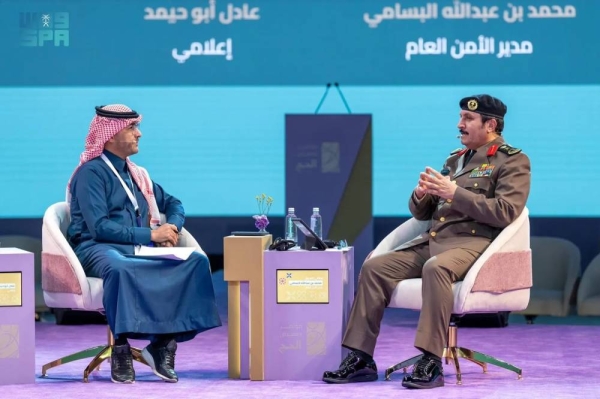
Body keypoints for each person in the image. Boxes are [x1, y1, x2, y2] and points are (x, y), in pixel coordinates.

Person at [322, 94, 531, 389]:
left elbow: (506, 212)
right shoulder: (455, 159)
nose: (460, 124)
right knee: (375, 268)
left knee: (437, 268)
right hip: (434, 239)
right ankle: (360, 357)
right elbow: (423, 213)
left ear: (491, 124)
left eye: (468, 119)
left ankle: (431, 361)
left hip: (472, 243)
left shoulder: (512, 160)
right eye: (461, 117)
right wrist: (422, 195)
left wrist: (452, 193)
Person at [66, 104, 222, 384]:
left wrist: (171, 226)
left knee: (196, 261)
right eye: (132, 128)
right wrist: (152, 236)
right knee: (121, 267)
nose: (139, 134)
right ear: (110, 135)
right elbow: (100, 228)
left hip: (136, 248)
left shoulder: (136, 174)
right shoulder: (92, 173)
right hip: (97, 247)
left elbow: (173, 203)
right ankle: (121, 348)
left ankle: (162, 345)